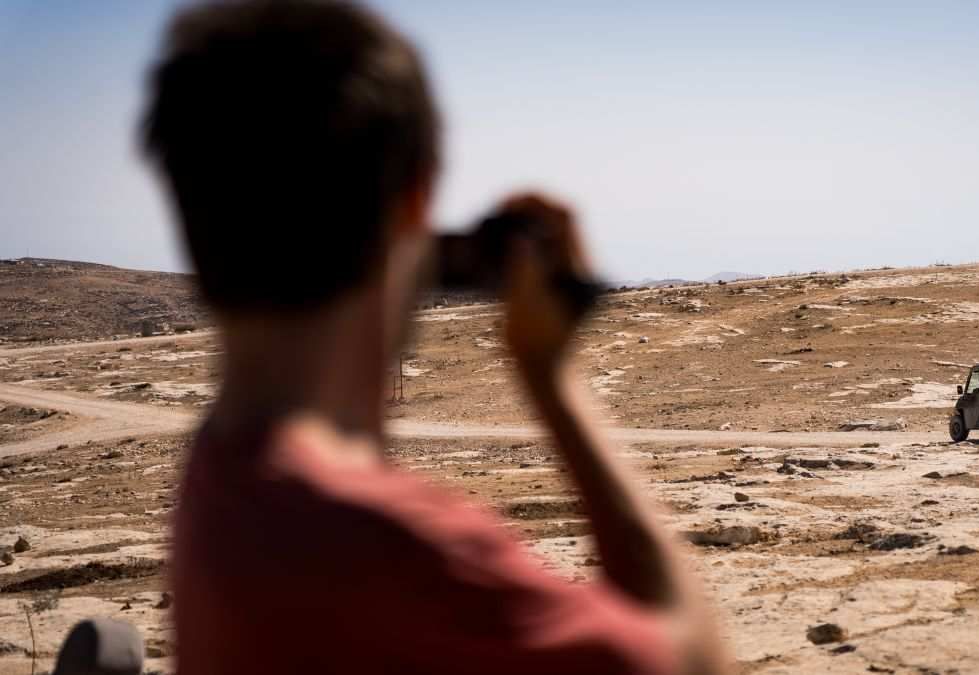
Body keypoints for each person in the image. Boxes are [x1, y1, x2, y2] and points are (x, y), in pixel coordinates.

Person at [139, 2, 728, 673]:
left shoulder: (222, 472)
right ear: (415, 200)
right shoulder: (397, 544)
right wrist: (551, 376)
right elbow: (688, 660)